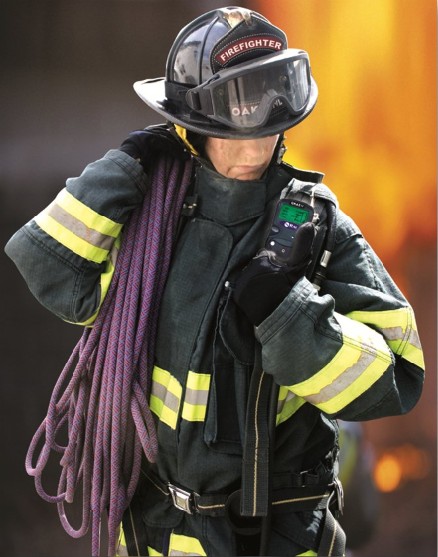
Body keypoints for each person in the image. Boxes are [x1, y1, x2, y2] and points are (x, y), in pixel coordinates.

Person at [5, 6, 425, 557]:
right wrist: (125, 167)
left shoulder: (321, 231)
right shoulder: (153, 220)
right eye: (233, 125)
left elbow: (398, 375)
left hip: (274, 538)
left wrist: (288, 313)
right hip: (154, 530)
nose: (253, 148)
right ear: (193, 127)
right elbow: (51, 267)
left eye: (267, 124)